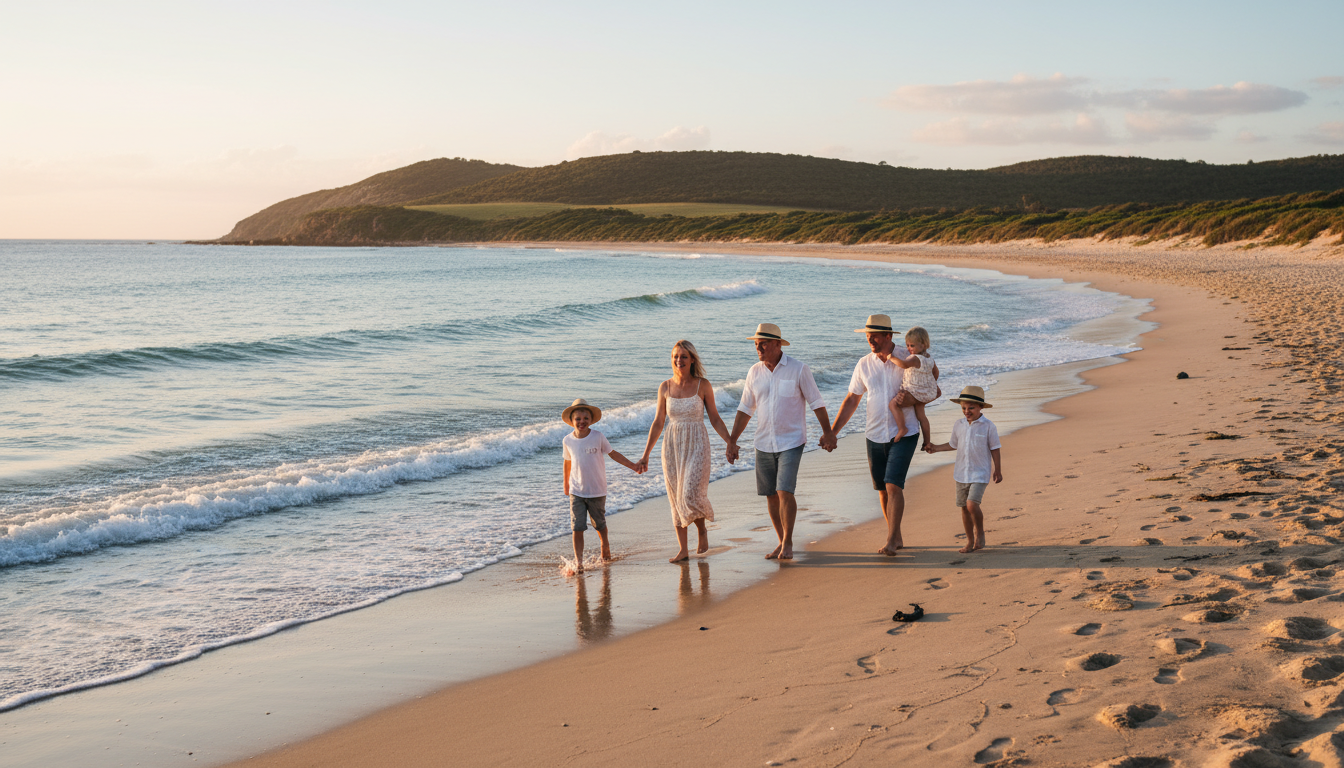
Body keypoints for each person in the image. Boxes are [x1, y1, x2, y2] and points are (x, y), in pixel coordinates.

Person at [727, 323, 837, 560]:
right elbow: (745, 408)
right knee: (770, 495)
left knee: (784, 490)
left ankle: (788, 542)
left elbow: (816, 401)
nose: (759, 347)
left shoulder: (799, 369)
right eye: (756, 343)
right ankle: (780, 540)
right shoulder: (754, 372)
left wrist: (828, 432)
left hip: (792, 440)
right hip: (763, 442)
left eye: (763, 343)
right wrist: (732, 440)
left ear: (777, 344)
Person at [831, 314, 939, 555]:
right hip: (874, 432)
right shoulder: (863, 364)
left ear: (888, 336)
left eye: (875, 336)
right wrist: (832, 432)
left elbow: (934, 384)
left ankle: (890, 540)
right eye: (868, 337)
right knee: (882, 489)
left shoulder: (908, 356)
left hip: (906, 432)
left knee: (893, 485)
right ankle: (896, 534)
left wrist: (915, 398)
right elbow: (852, 399)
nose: (870, 340)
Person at [636, 340, 735, 563]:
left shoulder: (703, 385)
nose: (678, 360)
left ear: (692, 360)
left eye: (683, 356)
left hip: (698, 443)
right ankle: (683, 549)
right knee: (675, 498)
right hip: (672, 446)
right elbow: (658, 423)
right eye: (675, 357)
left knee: (690, 494)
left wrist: (730, 441)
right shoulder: (665, 387)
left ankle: (701, 530)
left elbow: (716, 419)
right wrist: (646, 454)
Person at [561, 398, 643, 572]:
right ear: (571, 421)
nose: (582, 421)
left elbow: (613, 454)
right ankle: (579, 562)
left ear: (591, 420)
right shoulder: (567, 440)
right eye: (578, 418)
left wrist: (633, 466)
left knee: (599, 523)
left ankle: (604, 545)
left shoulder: (597, 437)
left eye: (585, 418)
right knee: (577, 526)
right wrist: (566, 484)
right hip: (577, 490)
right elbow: (567, 463)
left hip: (597, 490)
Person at [925, 386, 1003, 554]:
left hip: (980, 473)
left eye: (971, 408)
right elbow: (953, 444)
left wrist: (998, 470)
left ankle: (980, 532)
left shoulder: (988, 426)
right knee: (963, 508)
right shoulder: (958, 425)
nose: (967, 411)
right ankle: (969, 541)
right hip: (961, 473)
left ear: (981, 407)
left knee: (971, 505)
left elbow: (995, 448)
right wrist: (935, 448)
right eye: (963, 408)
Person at [887, 326, 940, 444]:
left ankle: (902, 428)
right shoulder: (930, 358)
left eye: (912, 345)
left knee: (893, 404)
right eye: (908, 345)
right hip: (925, 393)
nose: (909, 348)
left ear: (923, 345)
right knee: (922, 417)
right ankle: (927, 442)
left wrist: (892, 358)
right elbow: (936, 373)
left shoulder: (915, 358)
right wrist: (929, 385)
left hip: (914, 392)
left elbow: (904, 364)